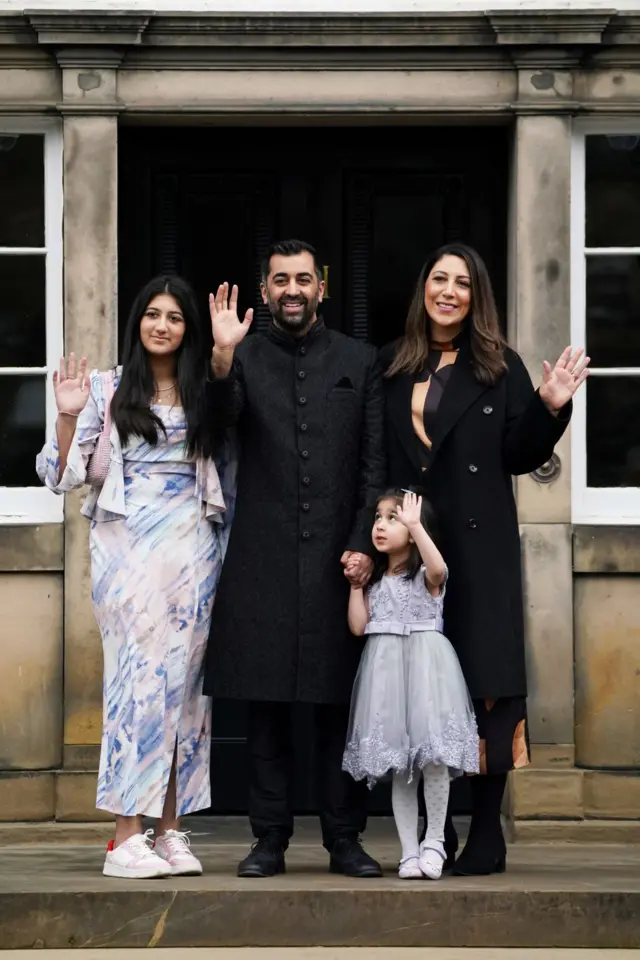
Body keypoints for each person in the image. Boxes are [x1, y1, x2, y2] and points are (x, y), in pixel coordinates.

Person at [381, 243, 589, 876]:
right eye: (439, 278)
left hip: (482, 548)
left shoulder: (501, 366)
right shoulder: (391, 366)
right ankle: (434, 833)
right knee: (425, 686)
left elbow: (520, 453)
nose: (449, 291)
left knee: (485, 684)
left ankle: (488, 833)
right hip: (417, 550)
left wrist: (551, 406)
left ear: (477, 297)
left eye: (462, 283)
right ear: (423, 288)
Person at [37, 276, 236, 879]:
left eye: (175, 318)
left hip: (196, 549)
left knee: (187, 691)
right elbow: (61, 476)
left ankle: (169, 831)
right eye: (152, 315)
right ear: (137, 323)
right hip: (128, 547)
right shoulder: (106, 388)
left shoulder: (204, 390)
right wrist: (68, 417)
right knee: (138, 683)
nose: (162, 326)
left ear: (187, 330)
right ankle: (126, 834)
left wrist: (226, 356)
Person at [204, 239, 386, 879]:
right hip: (262, 558)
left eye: (303, 279)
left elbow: (374, 465)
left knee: (341, 708)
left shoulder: (359, 360)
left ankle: (345, 838)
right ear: (264, 289)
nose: (292, 289)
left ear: (322, 287)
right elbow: (216, 428)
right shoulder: (242, 358)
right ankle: (268, 841)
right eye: (280, 279)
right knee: (266, 713)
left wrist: (365, 542)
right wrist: (222, 357)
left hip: (341, 563)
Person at [342, 489, 478, 880]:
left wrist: (416, 527)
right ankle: (408, 850)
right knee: (400, 766)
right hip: (386, 676)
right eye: (378, 518)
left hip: (426, 673)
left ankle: (434, 840)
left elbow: (438, 569)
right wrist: (355, 588)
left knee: (432, 757)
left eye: (393, 518)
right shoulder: (376, 581)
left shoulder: (425, 575)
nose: (381, 525)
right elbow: (358, 626)